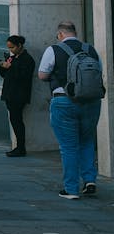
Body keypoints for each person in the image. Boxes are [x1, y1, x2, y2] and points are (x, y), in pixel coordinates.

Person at [38, 20, 102, 199]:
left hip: (64, 101)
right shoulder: (91, 49)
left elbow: (42, 75)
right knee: (87, 141)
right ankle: (89, 180)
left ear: (60, 35)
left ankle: (71, 189)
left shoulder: (54, 50)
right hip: (91, 102)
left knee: (68, 147)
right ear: (75, 33)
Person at [0, 34, 35, 157]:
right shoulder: (13, 58)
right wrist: (3, 66)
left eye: (12, 47)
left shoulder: (27, 59)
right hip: (10, 94)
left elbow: (23, 76)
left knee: (17, 121)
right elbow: (5, 75)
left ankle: (20, 147)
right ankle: (19, 147)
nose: (11, 50)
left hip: (18, 95)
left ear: (19, 46)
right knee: (14, 120)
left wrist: (11, 67)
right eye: (9, 48)